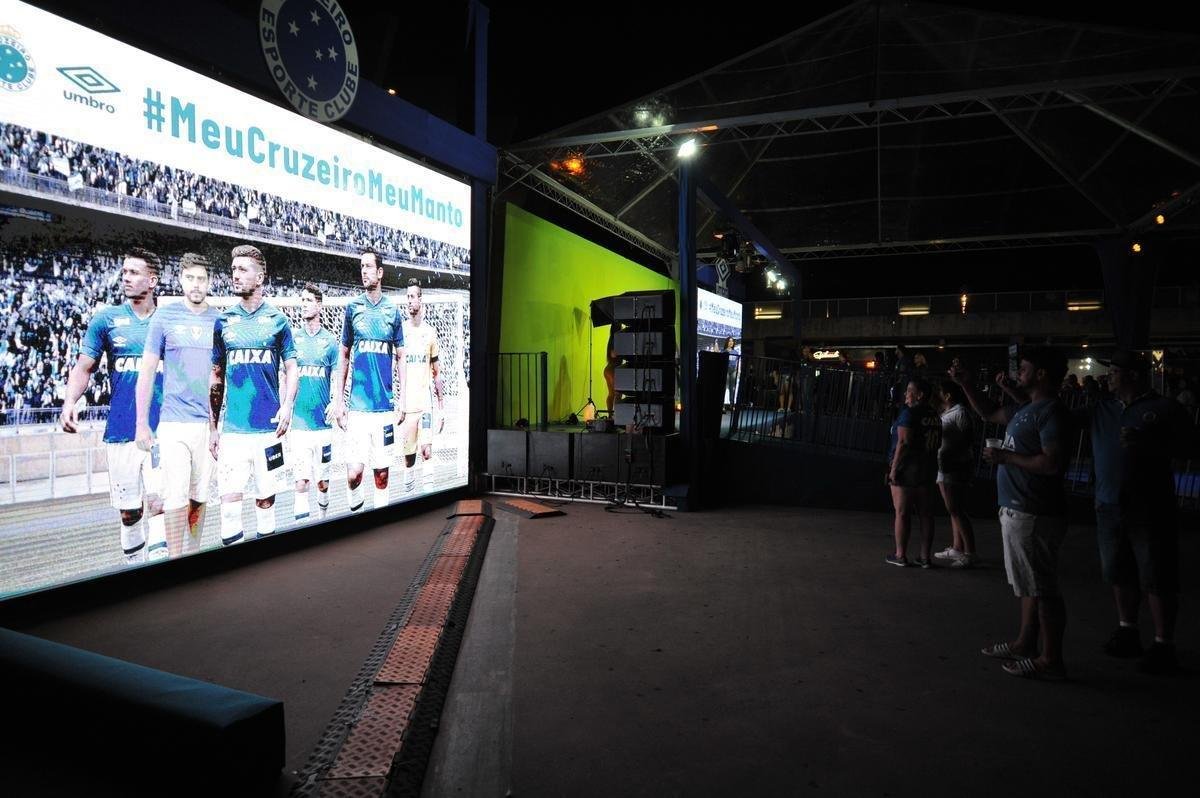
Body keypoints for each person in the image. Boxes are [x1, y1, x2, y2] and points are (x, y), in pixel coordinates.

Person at [951, 348, 1071, 680]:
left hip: (1035, 512)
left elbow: (1052, 462)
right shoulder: (1027, 409)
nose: (1018, 373)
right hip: (1020, 511)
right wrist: (967, 385)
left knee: (1042, 588)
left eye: (1025, 368)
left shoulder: (1050, 413)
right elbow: (989, 413)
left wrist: (1006, 459)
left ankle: (1052, 659)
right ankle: (1025, 643)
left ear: (1042, 374)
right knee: (1029, 586)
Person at [61, 247, 166, 564]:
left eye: (134, 272)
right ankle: (134, 571)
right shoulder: (106, 319)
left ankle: (162, 581)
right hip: (121, 430)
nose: (126, 278)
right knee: (129, 513)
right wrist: (69, 400)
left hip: (161, 430)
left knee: (159, 502)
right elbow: (84, 367)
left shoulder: (169, 322)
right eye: (124, 272)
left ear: (152, 279)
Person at [1094, 349, 1194, 673]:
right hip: (1109, 503)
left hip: (1150, 505)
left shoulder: (1164, 408)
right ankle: (1128, 629)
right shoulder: (1103, 408)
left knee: (1156, 574)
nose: (1108, 376)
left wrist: (1150, 444)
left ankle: (1164, 643)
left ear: (1133, 375)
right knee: (1118, 570)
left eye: (1114, 371)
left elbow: (1190, 447)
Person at [209, 245, 298, 544]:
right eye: (233, 269)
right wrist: (213, 428)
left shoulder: (278, 320)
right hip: (233, 432)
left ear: (260, 277)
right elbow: (216, 377)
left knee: (265, 503)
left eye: (242, 269)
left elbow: (292, 368)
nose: (235, 275)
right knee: (229, 507)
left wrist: (287, 406)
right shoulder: (223, 321)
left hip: (267, 431)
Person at [136, 252, 219, 558]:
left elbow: (218, 379)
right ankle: (176, 559)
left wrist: (215, 428)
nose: (196, 284)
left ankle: (193, 554)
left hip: (205, 424)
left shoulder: (218, 321)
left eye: (202, 279)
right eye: (191, 278)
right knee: (174, 497)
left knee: (199, 496)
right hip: (173, 423)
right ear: (181, 280)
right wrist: (141, 423)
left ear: (209, 282)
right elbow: (146, 371)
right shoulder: (164, 317)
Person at [330, 249, 405, 512]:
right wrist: (338, 401)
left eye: (369, 267)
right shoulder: (353, 309)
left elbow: (401, 359)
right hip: (358, 409)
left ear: (380, 272)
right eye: (361, 267)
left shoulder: (393, 313)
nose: (364, 271)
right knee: (354, 474)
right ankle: (356, 507)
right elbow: (344, 356)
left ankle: (379, 524)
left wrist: (402, 400)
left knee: (382, 475)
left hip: (384, 409)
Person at [289, 283, 339, 521]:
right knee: (301, 482)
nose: (304, 305)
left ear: (319, 305)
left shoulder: (330, 342)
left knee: (322, 482)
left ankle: (322, 517)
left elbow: (338, 375)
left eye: (308, 300)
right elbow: (286, 375)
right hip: (299, 424)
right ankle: (303, 533)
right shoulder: (293, 339)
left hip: (322, 425)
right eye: (302, 300)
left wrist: (336, 400)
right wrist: (285, 406)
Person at [884, 378, 941, 568]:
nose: (906, 394)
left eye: (909, 390)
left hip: (907, 470)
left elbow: (903, 443)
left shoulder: (909, 414)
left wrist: (893, 470)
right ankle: (925, 557)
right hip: (928, 468)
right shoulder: (934, 415)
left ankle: (900, 554)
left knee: (902, 513)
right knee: (926, 514)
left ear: (920, 395)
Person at [398, 278, 444, 495]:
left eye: (412, 296)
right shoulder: (401, 332)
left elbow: (436, 372)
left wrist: (441, 408)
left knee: (426, 451)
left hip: (425, 403)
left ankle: (429, 498)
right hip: (408, 406)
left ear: (420, 299)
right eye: (407, 297)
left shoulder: (430, 332)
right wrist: (398, 401)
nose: (409, 301)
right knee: (409, 456)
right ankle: (409, 498)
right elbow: (394, 367)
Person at [932, 379, 978, 567]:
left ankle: (970, 553)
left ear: (948, 395)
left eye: (939, 391)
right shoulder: (948, 412)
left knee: (956, 509)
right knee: (953, 510)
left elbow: (967, 440)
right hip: (944, 466)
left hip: (954, 467)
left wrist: (953, 459)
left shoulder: (960, 412)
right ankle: (957, 547)